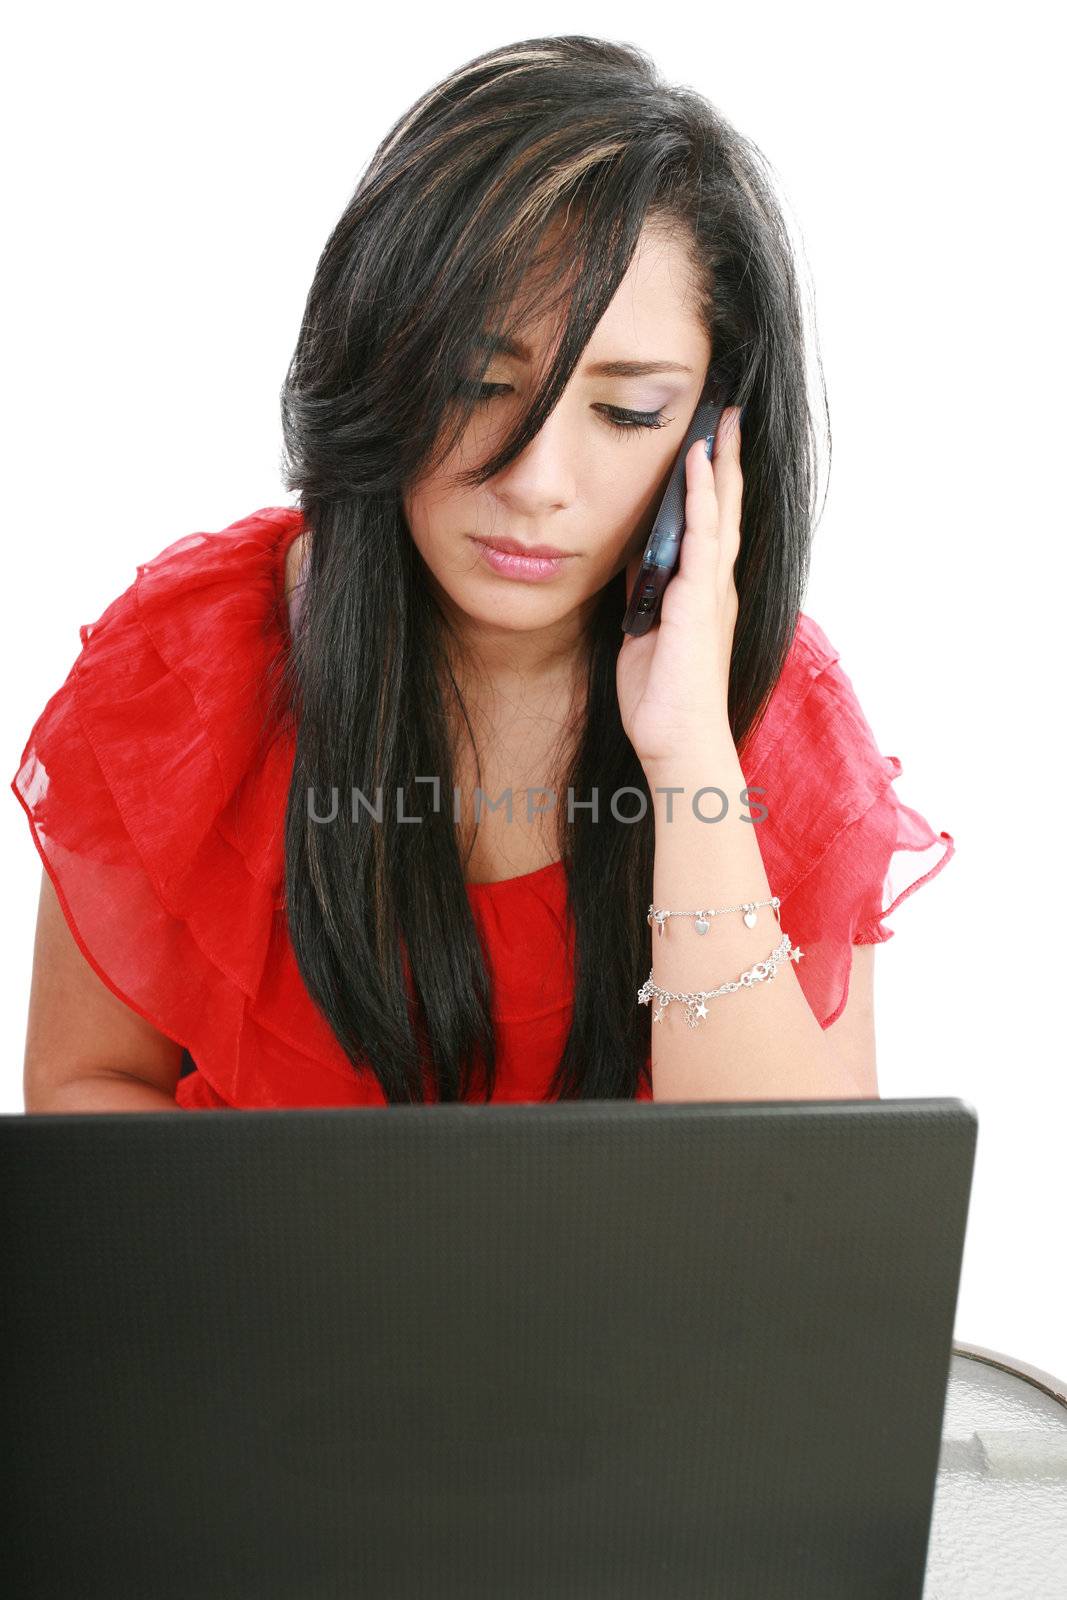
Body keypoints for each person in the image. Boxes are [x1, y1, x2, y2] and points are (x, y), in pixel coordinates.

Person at [13, 35, 954, 1114]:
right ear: (380, 365)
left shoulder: (772, 715)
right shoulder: (191, 669)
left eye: (625, 412)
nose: (536, 480)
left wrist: (689, 750)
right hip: (255, 1288)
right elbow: (87, 1086)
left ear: (709, 432)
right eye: (476, 385)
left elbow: (794, 1214)